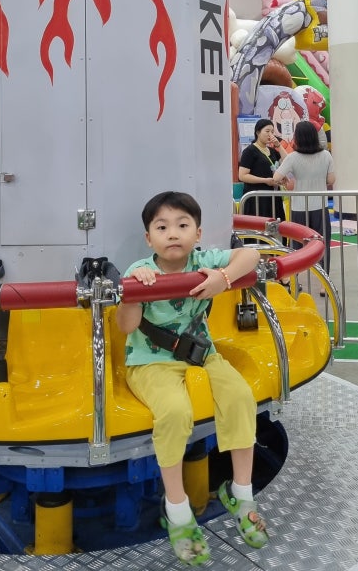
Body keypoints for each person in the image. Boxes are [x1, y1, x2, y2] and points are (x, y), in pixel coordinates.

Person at [116, 191, 268, 567]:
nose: (173, 233)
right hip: (150, 362)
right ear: (148, 238)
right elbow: (126, 327)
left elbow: (251, 255)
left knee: (240, 397)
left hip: (202, 355)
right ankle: (177, 509)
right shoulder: (139, 270)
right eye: (162, 227)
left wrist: (223, 278)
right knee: (173, 412)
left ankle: (241, 493)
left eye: (182, 225)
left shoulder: (204, 261)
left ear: (197, 234)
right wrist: (132, 291)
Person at [272, 120, 335, 273]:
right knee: (322, 242)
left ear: (298, 137)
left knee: (298, 244)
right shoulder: (326, 155)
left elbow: (276, 177)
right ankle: (323, 278)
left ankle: (297, 277)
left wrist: (285, 179)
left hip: (299, 207)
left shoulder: (293, 157)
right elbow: (331, 180)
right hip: (320, 206)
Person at [238, 118, 282, 218]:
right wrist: (265, 181)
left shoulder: (272, 151)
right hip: (257, 198)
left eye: (272, 132)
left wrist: (278, 145)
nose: (270, 135)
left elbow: (287, 161)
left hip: (274, 196)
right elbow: (242, 176)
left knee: (275, 224)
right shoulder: (249, 151)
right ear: (258, 132)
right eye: (267, 131)